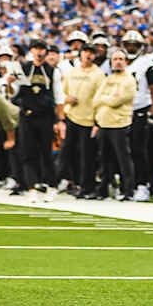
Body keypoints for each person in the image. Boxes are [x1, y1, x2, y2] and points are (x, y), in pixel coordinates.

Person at [16, 38, 66, 202]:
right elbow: (15, 93)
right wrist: (10, 83)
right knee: (28, 153)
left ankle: (51, 186)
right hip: (27, 116)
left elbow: (59, 96)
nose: (39, 52)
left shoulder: (52, 71)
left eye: (41, 49)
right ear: (31, 51)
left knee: (46, 153)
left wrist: (60, 120)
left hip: (45, 116)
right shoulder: (23, 69)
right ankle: (31, 187)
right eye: (36, 48)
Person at [92, 49, 137, 201]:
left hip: (119, 124)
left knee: (123, 159)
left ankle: (128, 190)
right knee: (104, 159)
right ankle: (103, 190)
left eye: (120, 59)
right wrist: (108, 98)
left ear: (126, 62)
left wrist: (105, 99)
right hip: (104, 123)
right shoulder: (108, 79)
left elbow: (116, 101)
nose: (118, 62)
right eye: (115, 59)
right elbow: (95, 100)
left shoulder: (129, 80)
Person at [62, 45, 104, 199]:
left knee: (87, 155)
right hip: (71, 117)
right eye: (86, 52)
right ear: (80, 54)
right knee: (69, 153)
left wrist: (97, 122)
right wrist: (66, 99)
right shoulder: (72, 72)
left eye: (92, 53)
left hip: (88, 120)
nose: (88, 55)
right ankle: (76, 182)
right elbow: (62, 91)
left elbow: (100, 99)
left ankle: (88, 186)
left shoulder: (98, 74)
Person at [123, 31, 153, 202]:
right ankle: (128, 185)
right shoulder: (119, 62)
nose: (131, 48)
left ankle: (142, 185)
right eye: (129, 45)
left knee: (139, 150)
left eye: (135, 45)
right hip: (122, 112)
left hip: (140, 109)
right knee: (125, 151)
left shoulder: (146, 63)